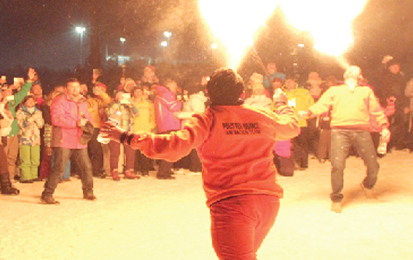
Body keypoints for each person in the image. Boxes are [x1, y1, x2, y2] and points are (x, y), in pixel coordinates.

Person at [101, 68, 299, 259]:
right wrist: (281, 103)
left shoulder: (207, 120)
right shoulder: (261, 116)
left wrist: (127, 137)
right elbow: (290, 127)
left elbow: (173, 146)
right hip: (267, 202)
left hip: (233, 204)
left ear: (208, 93)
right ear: (242, 93)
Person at [300, 66, 389, 213]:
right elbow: (321, 105)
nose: (353, 71)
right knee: (338, 165)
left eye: (356, 70)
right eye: (350, 70)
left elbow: (376, 110)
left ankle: (367, 185)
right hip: (340, 131)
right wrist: (309, 112)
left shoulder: (366, 91)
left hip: (362, 131)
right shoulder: (335, 90)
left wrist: (384, 126)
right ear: (345, 75)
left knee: (373, 165)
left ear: (360, 76)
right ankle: (336, 198)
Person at [41, 78, 95, 204]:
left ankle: (88, 191)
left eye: (77, 86)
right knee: (59, 168)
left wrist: (88, 125)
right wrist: (76, 123)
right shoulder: (59, 101)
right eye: (72, 87)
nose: (75, 89)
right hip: (63, 139)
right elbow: (56, 119)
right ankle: (47, 194)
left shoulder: (82, 102)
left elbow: (88, 117)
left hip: (79, 139)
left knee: (86, 167)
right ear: (66, 89)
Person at [2, 68, 37, 180]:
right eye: (7, 91)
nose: (10, 93)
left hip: (14, 133)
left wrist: (29, 80)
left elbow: (22, 94)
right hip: (3, 135)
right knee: (2, 158)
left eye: (10, 92)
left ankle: (10, 179)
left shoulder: (11, 103)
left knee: (12, 158)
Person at [105, 90, 140, 180]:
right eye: (119, 95)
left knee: (130, 152)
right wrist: (119, 103)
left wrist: (132, 104)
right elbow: (109, 113)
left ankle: (129, 170)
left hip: (128, 131)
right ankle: (114, 171)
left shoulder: (128, 106)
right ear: (115, 96)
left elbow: (137, 114)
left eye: (123, 95)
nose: (121, 96)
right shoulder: (112, 104)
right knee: (115, 152)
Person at [152, 79, 182, 179]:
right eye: (174, 85)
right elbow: (173, 106)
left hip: (166, 124)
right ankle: (163, 172)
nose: (176, 88)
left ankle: (166, 169)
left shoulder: (161, 94)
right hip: (169, 124)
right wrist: (180, 102)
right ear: (169, 86)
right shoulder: (166, 94)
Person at [16, 95, 44, 183]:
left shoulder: (38, 112)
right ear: (24, 102)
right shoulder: (20, 112)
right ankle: (25, 176)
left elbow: (41, 125)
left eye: (33, 101)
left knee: (35, 157)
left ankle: (34, 175)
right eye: (29, 101)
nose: (31, 102)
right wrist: (31, 119)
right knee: (25, 157)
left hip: (35, 138)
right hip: (25, 137)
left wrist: (37, 118)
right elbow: (21, 125)